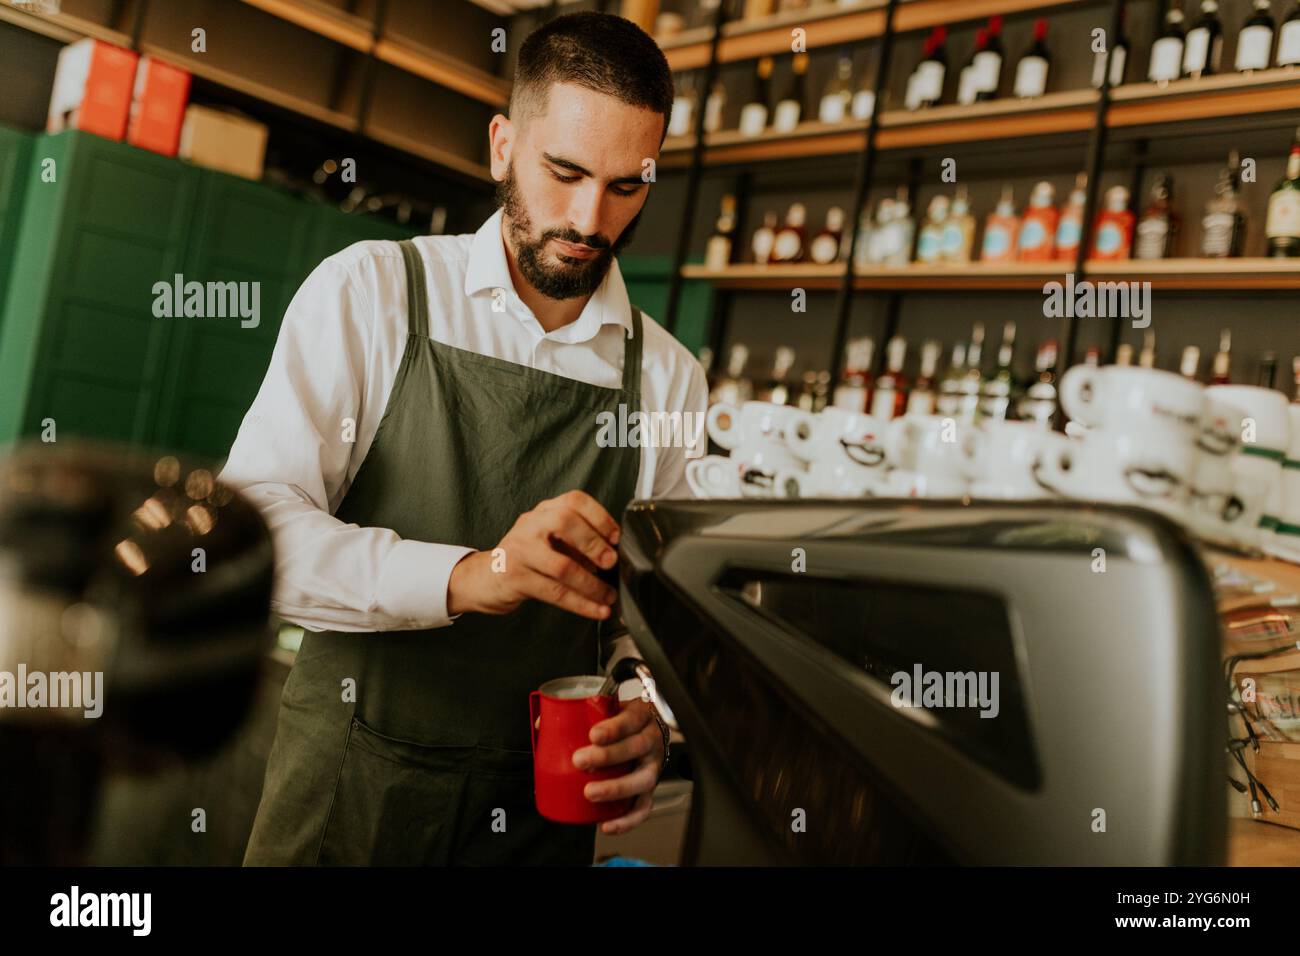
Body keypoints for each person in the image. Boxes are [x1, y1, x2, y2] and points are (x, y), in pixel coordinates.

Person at [222, 11, 707, 865]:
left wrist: (647, 713)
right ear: (501, 146)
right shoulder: (373, 292)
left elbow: (652, 617)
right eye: (564, 172)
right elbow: (256, 528)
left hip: (536, 825)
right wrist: (472, 575)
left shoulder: (668, 380)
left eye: (628, 185)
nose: (591, 219)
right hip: (348, 797)